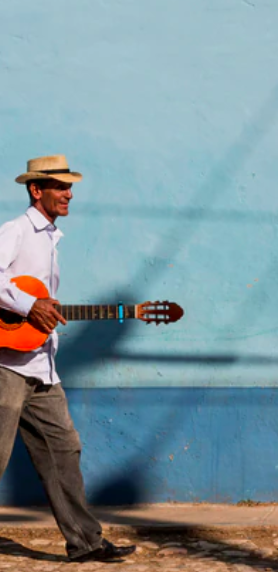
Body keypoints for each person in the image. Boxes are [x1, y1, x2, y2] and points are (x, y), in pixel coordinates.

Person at [0, 155, 136, 562]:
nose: (69, 193)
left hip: (40, 366)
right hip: (6, 368)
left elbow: (39, 308)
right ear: (35, 190)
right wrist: (28, 305)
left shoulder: (50, 239)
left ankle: (85, 542)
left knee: (64, 450)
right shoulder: (17, 231)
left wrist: (36, 313)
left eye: (70, 186)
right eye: (60, 186)